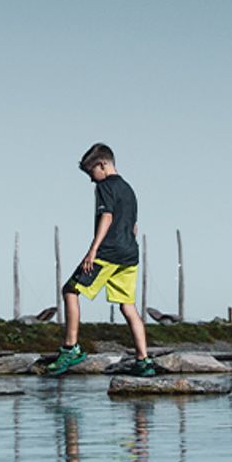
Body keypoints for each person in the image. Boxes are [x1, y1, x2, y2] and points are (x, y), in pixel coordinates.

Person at [46, 144, 159, 377]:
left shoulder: (105, 186)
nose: (91, 180)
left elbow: (107, 217)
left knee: (70, 290)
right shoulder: (129, 189)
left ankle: (70, 348)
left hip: (109, 251)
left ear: (103, 165)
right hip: (130, 254)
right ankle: (144, 360)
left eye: (91, 173)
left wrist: (92, 251)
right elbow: (134, 226)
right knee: (128, 306)